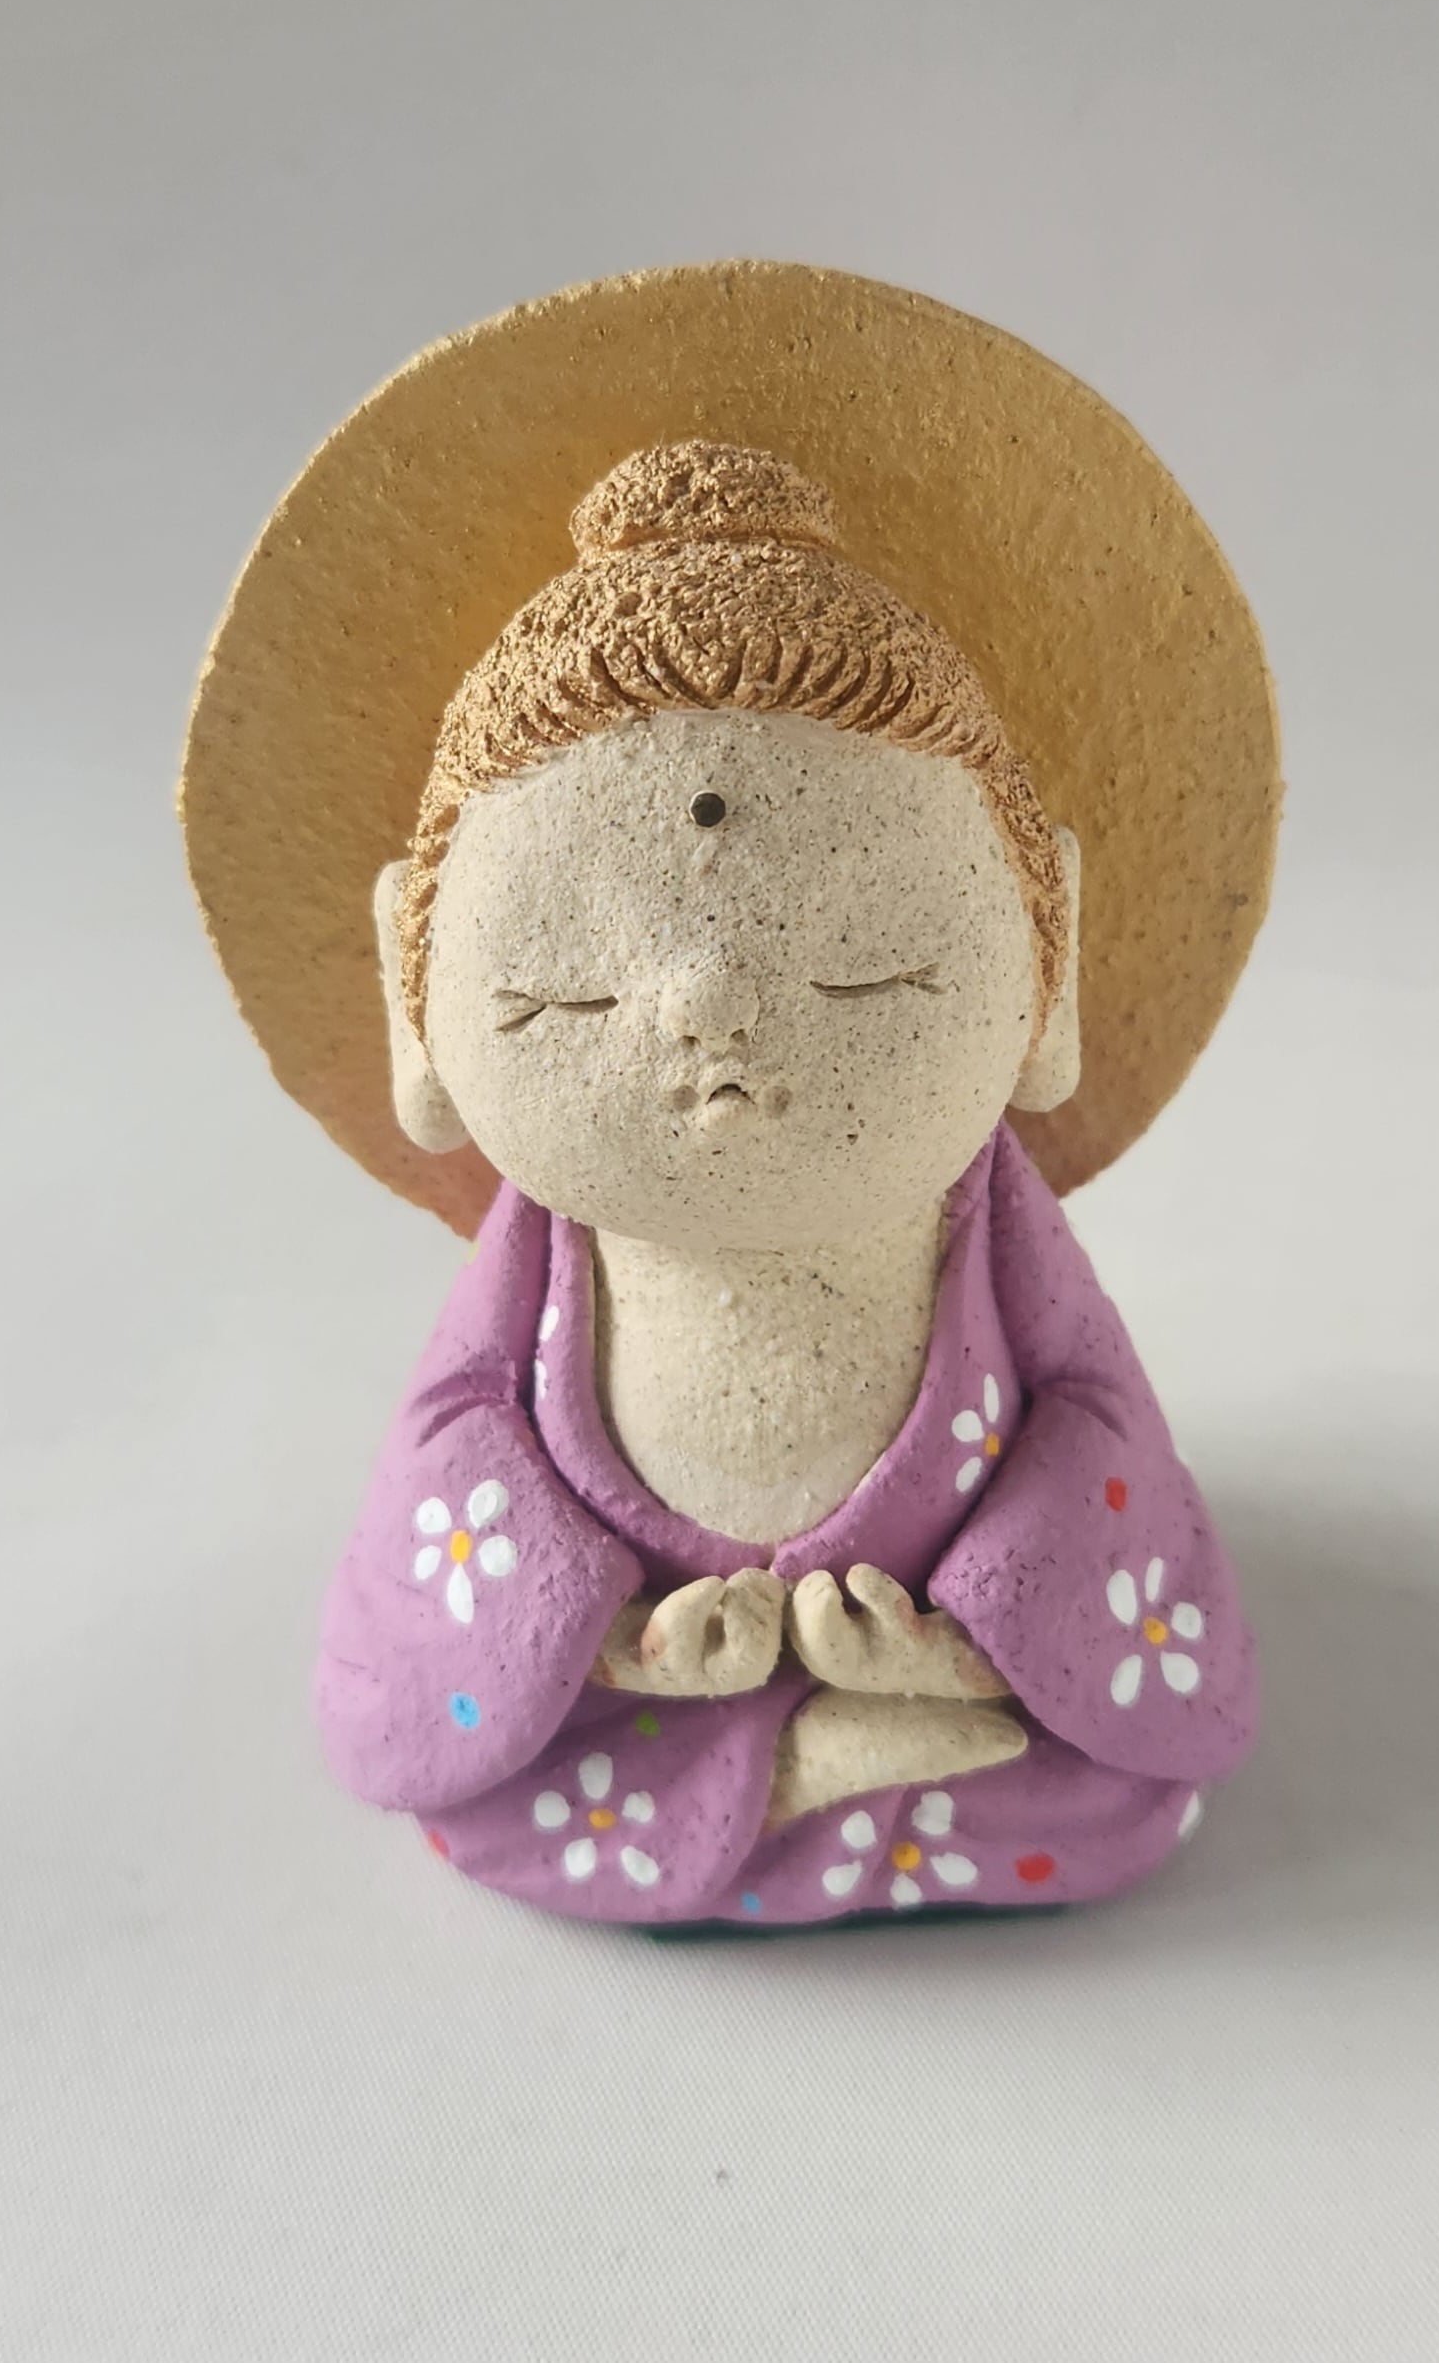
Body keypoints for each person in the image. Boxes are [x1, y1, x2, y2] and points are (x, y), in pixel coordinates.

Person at [312, 439, 1257, 1926]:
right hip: (640, 1694)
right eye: (570, 979)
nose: (709, 1003)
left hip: (950, 1666)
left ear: (1049, 965)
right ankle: (794, 1770)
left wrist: (968, 1640)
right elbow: (448, 1470)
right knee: (485, 1789)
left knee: (1117, 1791)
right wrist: (608, 1642)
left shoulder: (993, 1233)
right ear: (409, 1004)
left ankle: (842, 1755)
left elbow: (1096, 1428)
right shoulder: (538, 1266)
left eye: (860, 959)